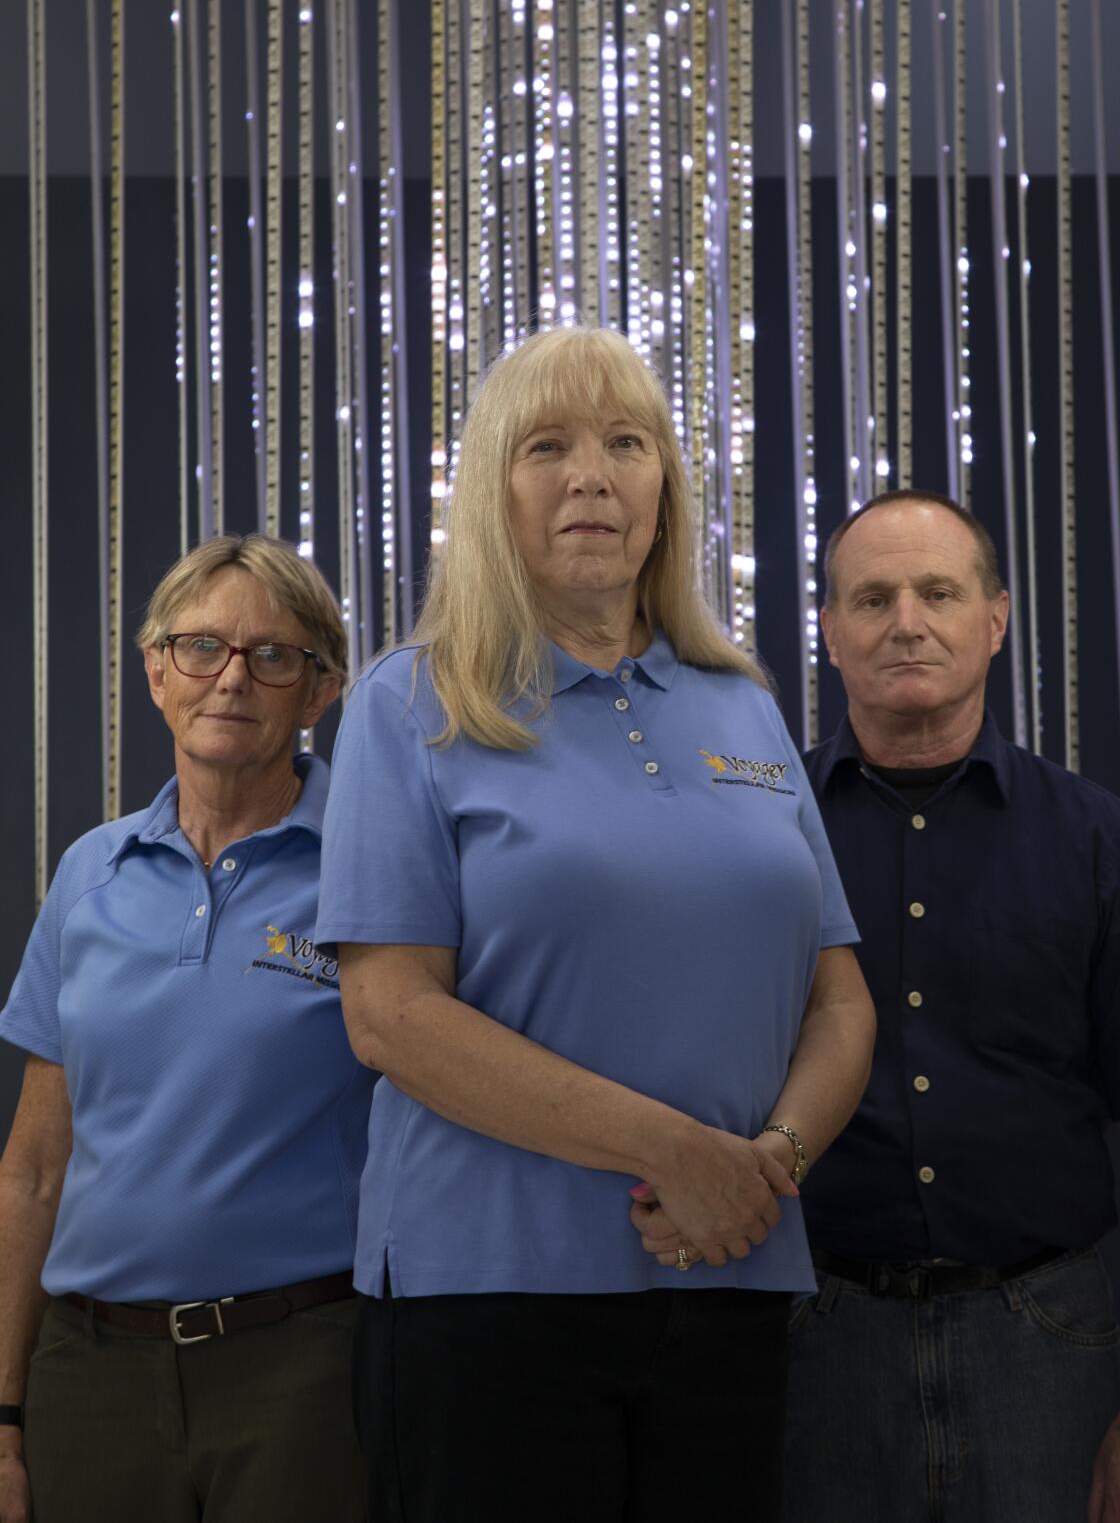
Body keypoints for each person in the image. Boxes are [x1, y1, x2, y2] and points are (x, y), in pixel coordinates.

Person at [314, 325, 876, 1523]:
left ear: (664, 488)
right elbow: (390, 1016)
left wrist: (763, 1169)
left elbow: (841, 1000)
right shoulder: (410, 704)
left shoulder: (744, 702)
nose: (592, 475)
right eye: (548, 446)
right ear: (491, 491)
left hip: (730, 1274)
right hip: (486, 1298)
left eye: (628, 443)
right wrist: (674, 1154)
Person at [785, 488, 1120, 1523]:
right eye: (872, 599)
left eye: (938, 592)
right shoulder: (763, 839)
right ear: (829, 631)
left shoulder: (1100, 844)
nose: (907, 622)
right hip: (815, 1338)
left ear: (996, 620)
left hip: (1047, 1340)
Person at [0, 534, 376, 1523]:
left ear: (320, 690)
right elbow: (35, 1168)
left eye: (273, 654)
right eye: (201, 646)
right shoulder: (90, 874)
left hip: (301, 1369)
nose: (232, 678)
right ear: (156, 670)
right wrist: (2, 1412)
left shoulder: (374, 875)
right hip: (89, 1375)